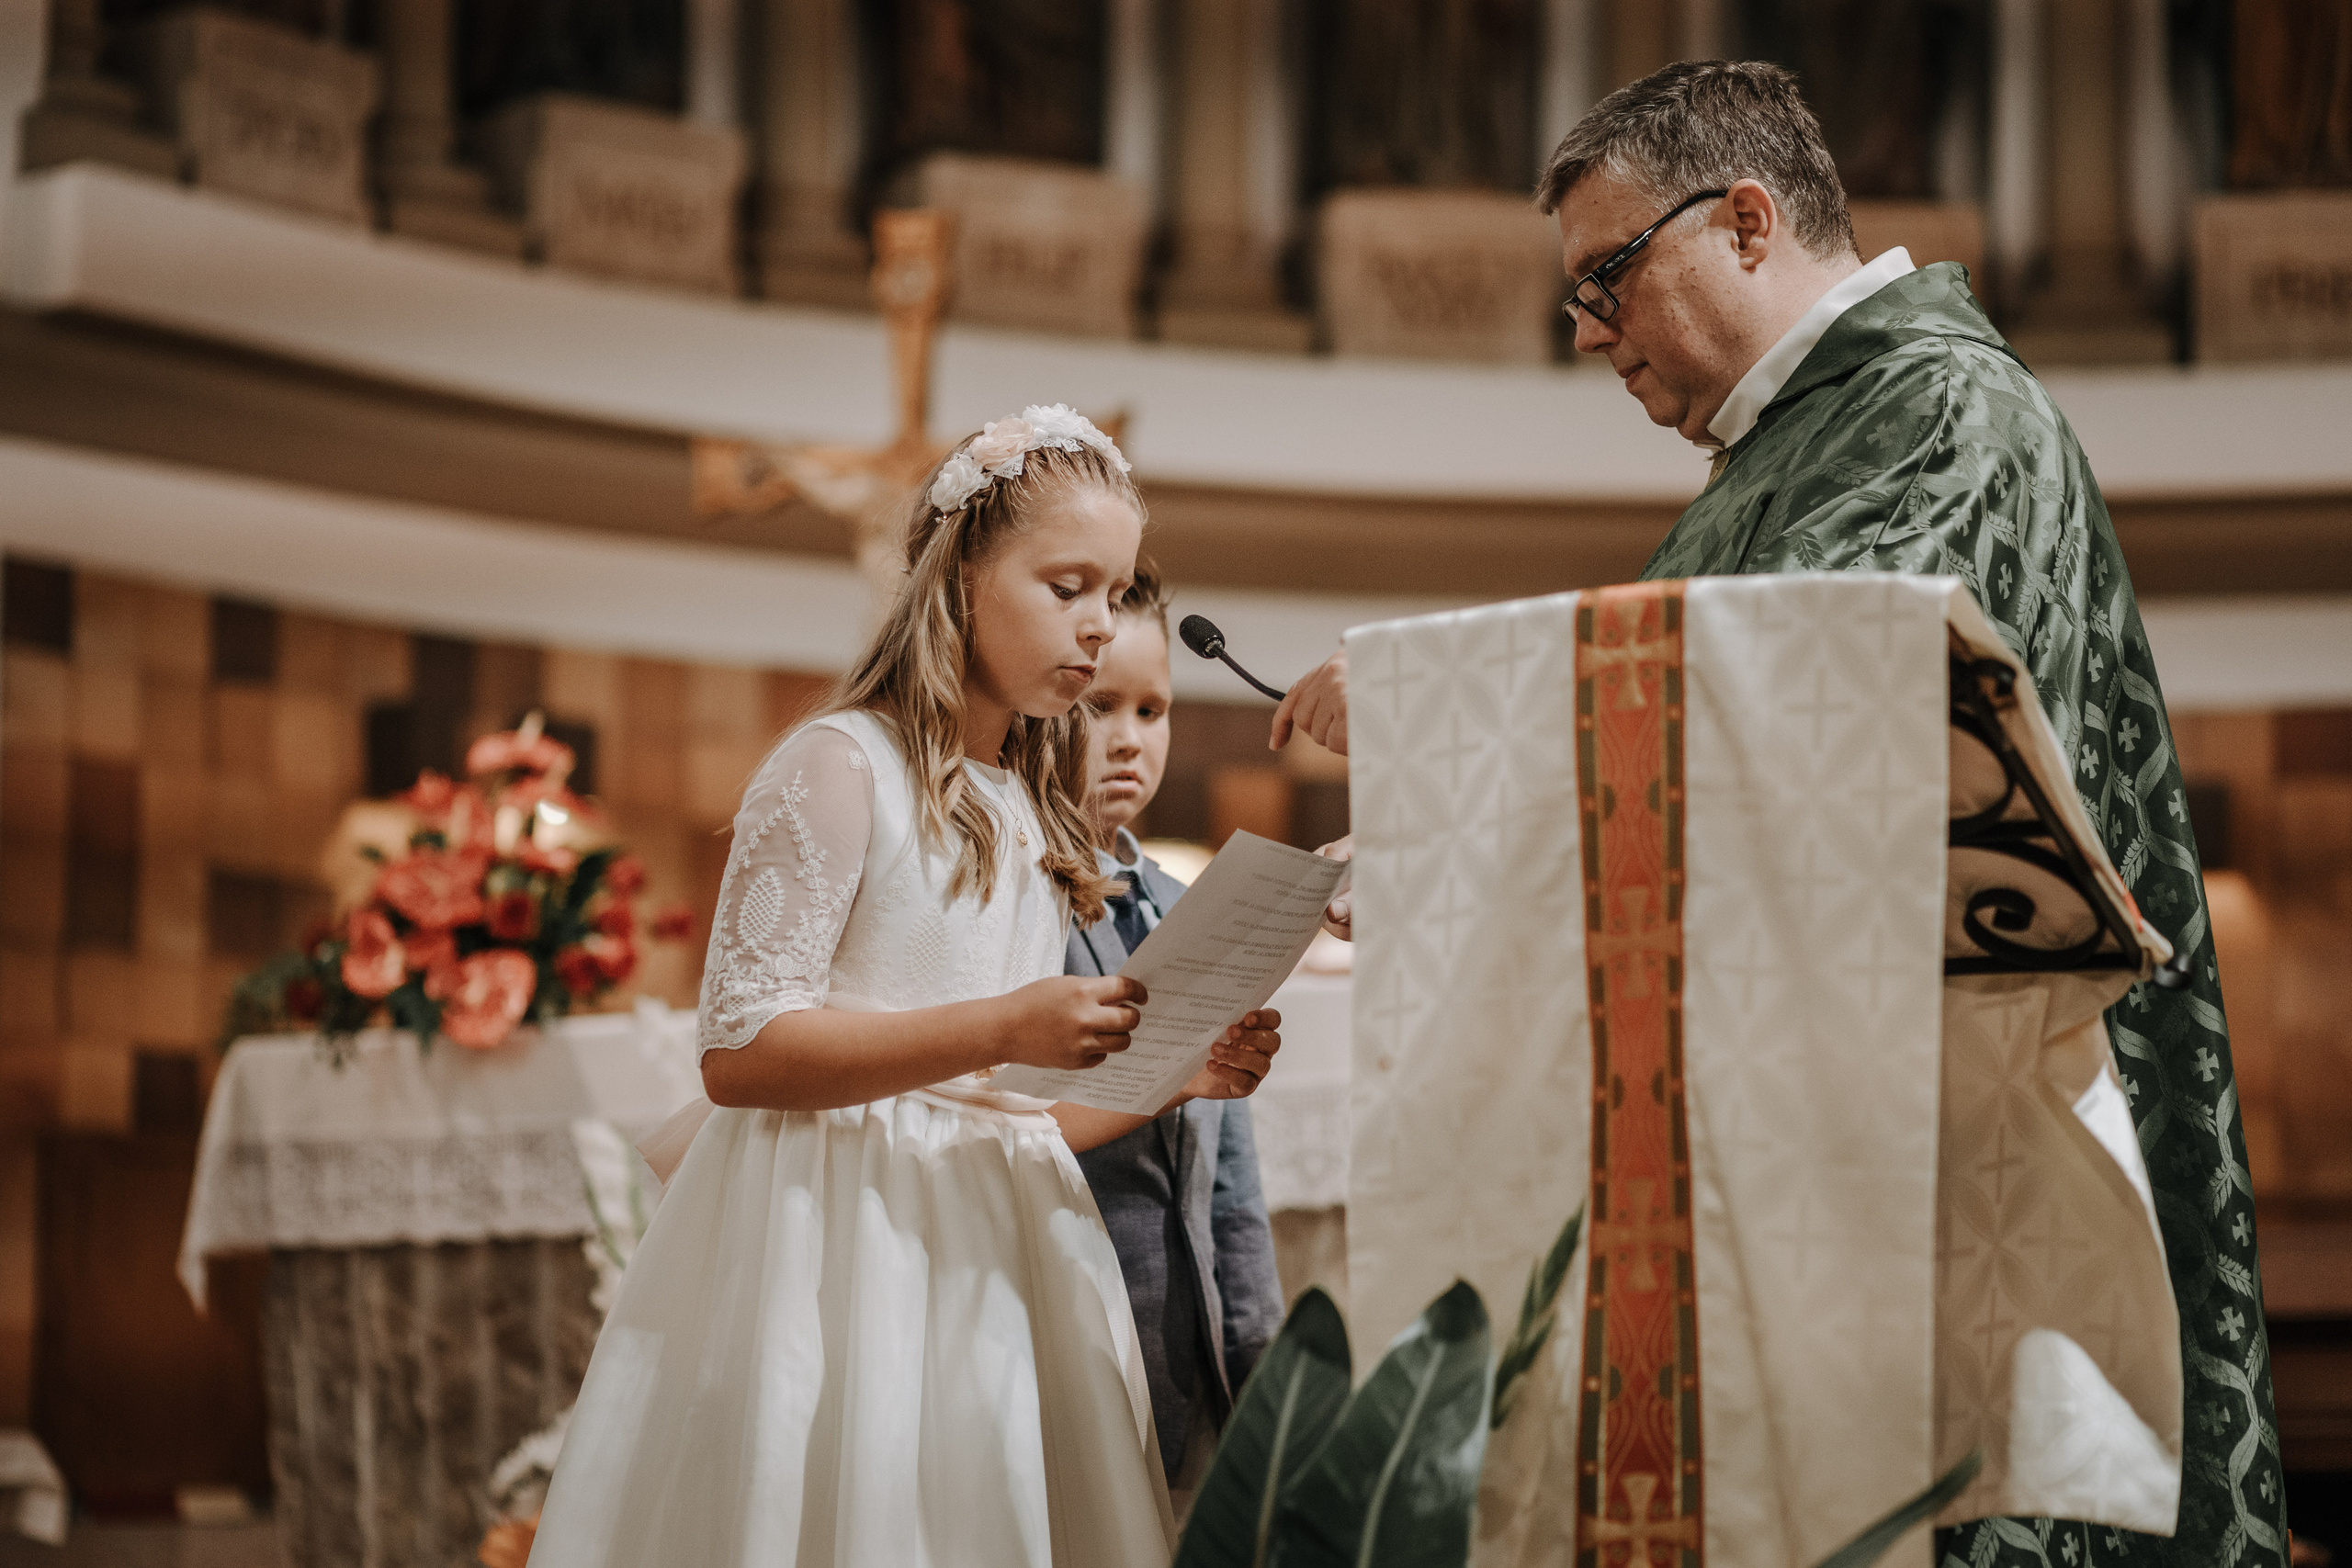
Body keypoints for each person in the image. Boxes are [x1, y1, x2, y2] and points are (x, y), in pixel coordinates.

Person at [1272, 62, 2284, 1568]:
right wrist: (1434, 842)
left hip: (1931, 1177)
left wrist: (1436, 706)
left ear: (1747, 219)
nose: (1585, 328)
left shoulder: (1942, 409)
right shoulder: (1785, 452)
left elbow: (1835, 704)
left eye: (1609, 275)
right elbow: (1701, 775)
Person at [528, 406, 1283, 1567]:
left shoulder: (1029, 807)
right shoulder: (839, 765)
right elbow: (739, 1054)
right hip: (836, 1231)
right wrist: (1002, 1023)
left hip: (997, 1239)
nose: (1097, 628)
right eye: (1067, 585)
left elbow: (1007, 1113)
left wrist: (1171, 1081)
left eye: (1115, 593)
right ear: (964, 572)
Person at [1065, 563, 1285, 1521]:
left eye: (1152, 711)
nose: (1129, 739)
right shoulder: (999, 904)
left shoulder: (1185, 903)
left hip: (1186, 1327)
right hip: (1073, 1320)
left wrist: (1258, 1349)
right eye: (1099, 705)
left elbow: (1229, 1175)